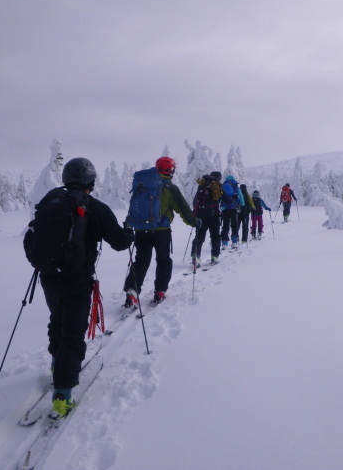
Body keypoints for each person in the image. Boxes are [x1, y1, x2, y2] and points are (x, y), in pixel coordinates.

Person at [25, 157, 133, 418]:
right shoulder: (95, 207)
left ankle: (56, 363)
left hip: (49, 276)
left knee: (58, 320)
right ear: (91, 181)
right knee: (74, 332)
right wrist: (129, 233)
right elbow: (119, 242)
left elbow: (32, 236)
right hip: (78, 277)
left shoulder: (50, 201)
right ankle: (62, 394)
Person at [123, 156, 199, 306]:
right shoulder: (170, 188)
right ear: (171, 170)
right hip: (161, 231)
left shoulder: (143, 184)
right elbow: (183, 209)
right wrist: (194, 222)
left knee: (141, 260)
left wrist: (130, 224)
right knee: (163, 260)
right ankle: (160, 291)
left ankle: (132, 291)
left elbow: (135, 206)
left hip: (141, 229)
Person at [191, 171, 222, 266]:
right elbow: (220, 199)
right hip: (214, 215)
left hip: (200, 215)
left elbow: (195, 200)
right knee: (215, 236)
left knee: (199, 236)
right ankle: (215, 256)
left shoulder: (202, 185)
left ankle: (195, 256)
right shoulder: (216, 186)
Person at [220, 175, 244, 250]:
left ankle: (224, 242)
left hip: (224, 209)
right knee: (234, 225)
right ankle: (234, 241)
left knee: (225, 225)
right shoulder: (236, 186)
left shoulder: (223, 186)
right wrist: (242, 205)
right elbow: (240, 196)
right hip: (234, 209)